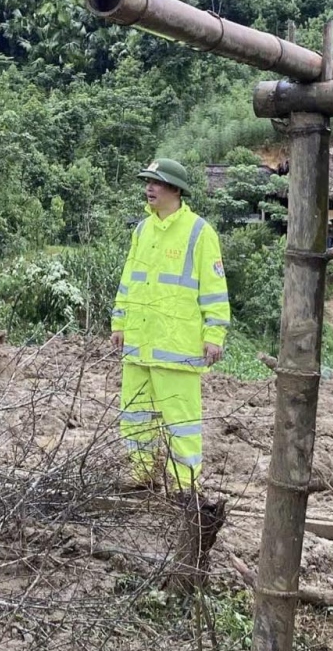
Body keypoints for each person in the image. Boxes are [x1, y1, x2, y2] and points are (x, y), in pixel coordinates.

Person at [111, 158, 229, 495]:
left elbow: (214, 288)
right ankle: (141, 475)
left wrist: (214, 334)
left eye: (157, 182)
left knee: (182, 422)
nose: (149, 188)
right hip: (138, 343)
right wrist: (119, 322)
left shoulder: (199, 232)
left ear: (176, 190)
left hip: (176, 347)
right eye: (147, 181)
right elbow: (128, 281)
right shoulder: (142, 230)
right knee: (134, 415)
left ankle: (183, 487)